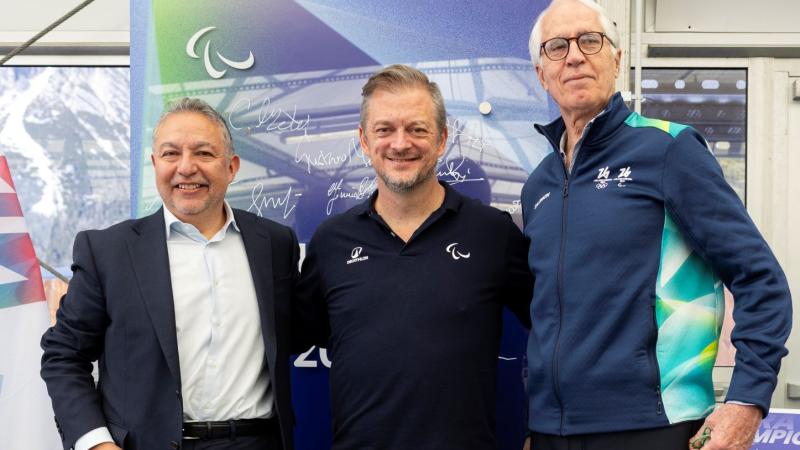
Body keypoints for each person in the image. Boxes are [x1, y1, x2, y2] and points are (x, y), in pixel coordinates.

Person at [521, 1, 792, 449]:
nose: (574, 56)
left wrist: (747, 399)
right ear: (540, 73)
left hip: (652, 426)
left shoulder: (670, 149)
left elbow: (760, 279)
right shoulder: (538, 186)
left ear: (617, 58)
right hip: (553, 432)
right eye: (556, 47)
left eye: (590, 41)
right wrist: (541, 426)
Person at [296, 64, 533, 449]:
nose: (400, 143)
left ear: (441, 139)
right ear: (364, 140)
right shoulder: (331, 242)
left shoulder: (492, 233)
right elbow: (286, 340)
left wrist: (541, 428)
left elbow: (554, 329)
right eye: (384, 129)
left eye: (417, 129)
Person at [41, 98, 300, 450]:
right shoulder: (108, 252)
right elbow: (64, 355)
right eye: (170, 154)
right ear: (154, 164)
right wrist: (96, 443)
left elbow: (301, 330)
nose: (186, 167)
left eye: (204, 154)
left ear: (232, 167)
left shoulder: (274, 244)